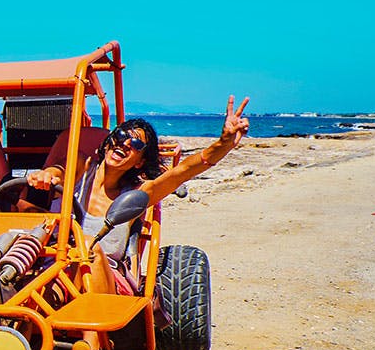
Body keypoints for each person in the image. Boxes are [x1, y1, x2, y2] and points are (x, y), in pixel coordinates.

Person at [26, 95, 250, 295]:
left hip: (105, 281)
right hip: (54, 270)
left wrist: (223, 144)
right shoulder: (81, 167)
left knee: (87, 247)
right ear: (108, 142)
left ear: (140, 162)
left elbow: (181, 172)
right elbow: (60, 170)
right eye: (121, 135)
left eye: (135, 143)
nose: (125, 143)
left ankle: (88, 328)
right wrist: (47, 175)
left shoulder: (136, 194)